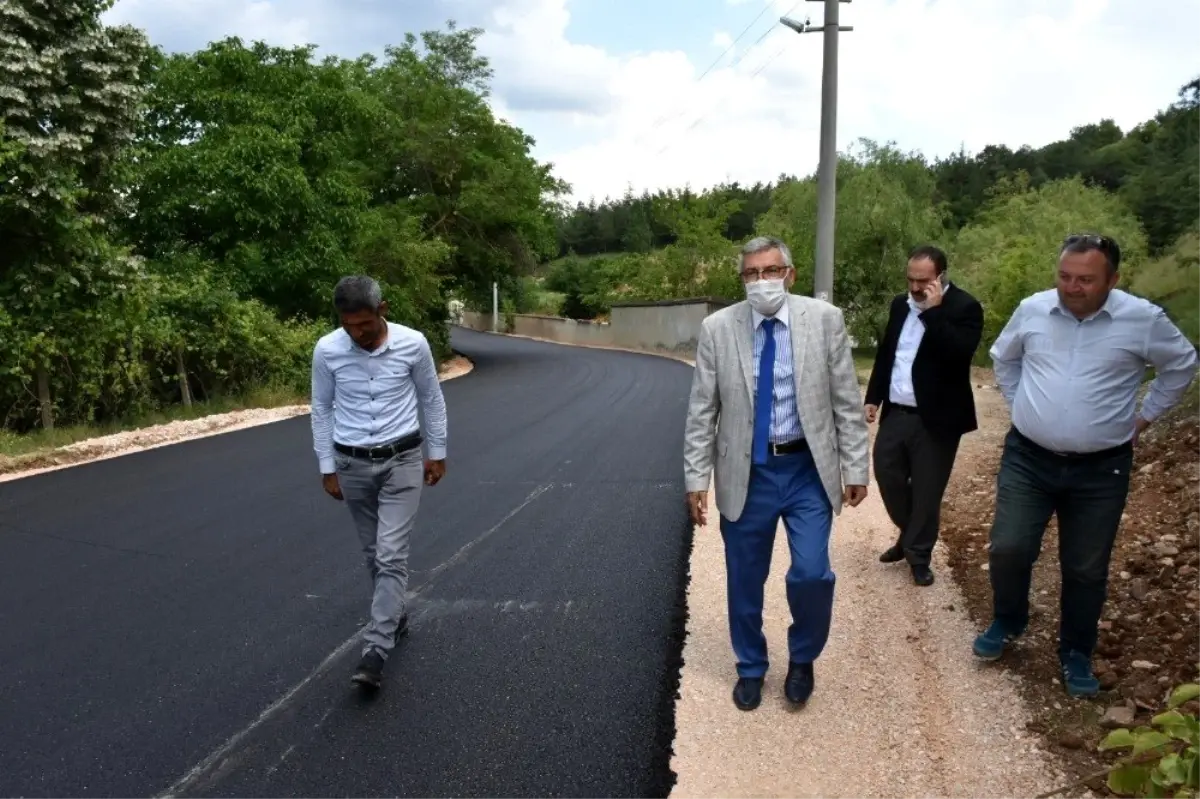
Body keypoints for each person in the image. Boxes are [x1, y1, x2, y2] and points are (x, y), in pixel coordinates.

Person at [973, 233, 1197, 697]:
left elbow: (1181, 365)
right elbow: (1003, 357)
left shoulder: (1143, 320)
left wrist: (1147, 416)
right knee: (1009, 547)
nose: (1072, 287)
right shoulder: (1033, 309)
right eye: (1065, 276)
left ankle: (1076, 651)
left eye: (1085, 280)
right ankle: (1008, 620)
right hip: (1028, 458)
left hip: (1102, 468)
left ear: (1113, 280)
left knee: (1085, 567)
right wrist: (1019, 406)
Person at [683, 236, 870, 711]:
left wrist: (856, 466)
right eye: (751, 273)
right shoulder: (718, 329)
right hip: (747, 473)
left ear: (790, 273)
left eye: (770, 271)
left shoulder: (823, 320)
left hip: (807, 470)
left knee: (811, 574)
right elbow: (703, 409)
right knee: (745, 580)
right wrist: (695, 478)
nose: (761, 281)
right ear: (742, 279)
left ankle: (802, 657)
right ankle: (750, 666)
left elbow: (846, 401)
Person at [310, 275, 449, 689]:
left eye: (364, 325)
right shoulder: (327, 349)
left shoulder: (413, 343)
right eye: (348, 325)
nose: (357, 334)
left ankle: (376, 649)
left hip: (402, 460)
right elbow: (321, 408)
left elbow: (431, 398)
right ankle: (395, 612)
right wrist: (327, 467)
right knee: (373, 552)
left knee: (390, 554)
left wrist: (437, 453)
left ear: (382, 310)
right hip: (351, 464)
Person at [864, 245, 983, 587]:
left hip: (938, 419)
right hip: (897, 412)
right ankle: (910, 535)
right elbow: (888, 352)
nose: (915, 288)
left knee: (928, 490)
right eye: (910, 279)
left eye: (923, 281)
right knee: (888, 475)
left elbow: (958, 355)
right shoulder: (900, 305)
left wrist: (934, 313)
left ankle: (918, 555)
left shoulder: (965, 307)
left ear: (940, 278)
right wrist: (874, 396)